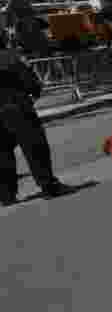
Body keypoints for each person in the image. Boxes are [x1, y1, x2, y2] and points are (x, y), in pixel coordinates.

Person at [0, 32, 75, 206]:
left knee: (2, 153)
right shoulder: (11, 57)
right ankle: (48, 186)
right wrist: (34, 91)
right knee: (35, 147)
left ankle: (6, 194)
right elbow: (30, 82)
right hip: (17, 108)